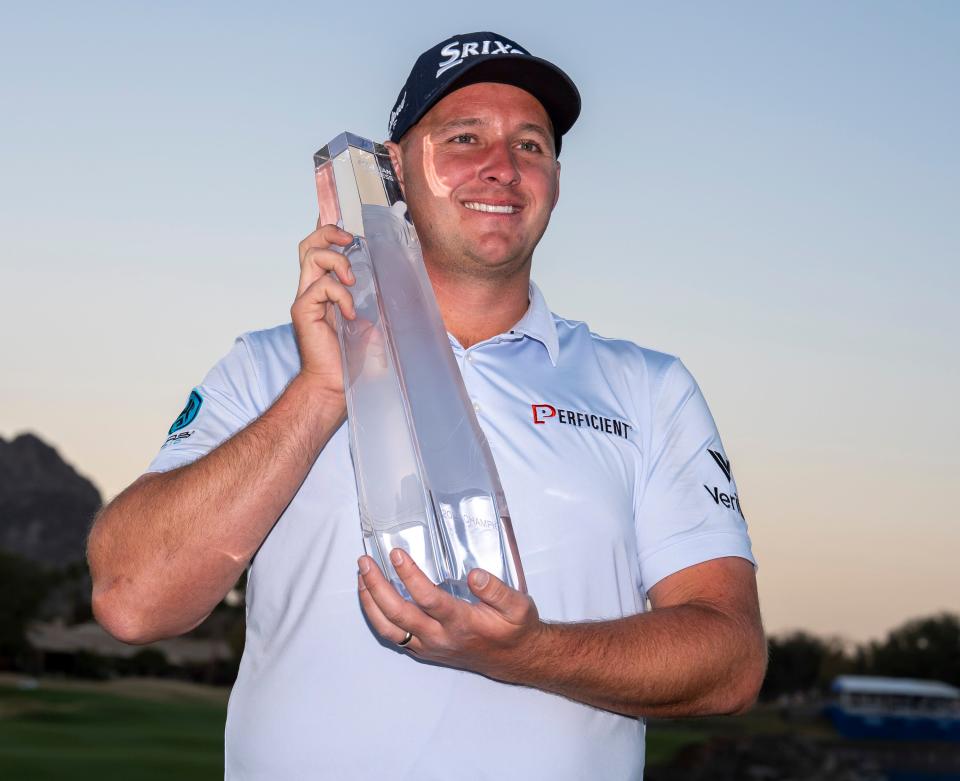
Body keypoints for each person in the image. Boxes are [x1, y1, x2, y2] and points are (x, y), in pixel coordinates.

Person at [88, 31, 765, 779]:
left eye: (531, 145)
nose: (501, 167)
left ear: (556, 180)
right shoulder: (270, 365)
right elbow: (132, 600)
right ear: (396, 169)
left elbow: (730, 659)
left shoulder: (648, 388)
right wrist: (322, 388)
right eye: (464, 137)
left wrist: (527, 653)